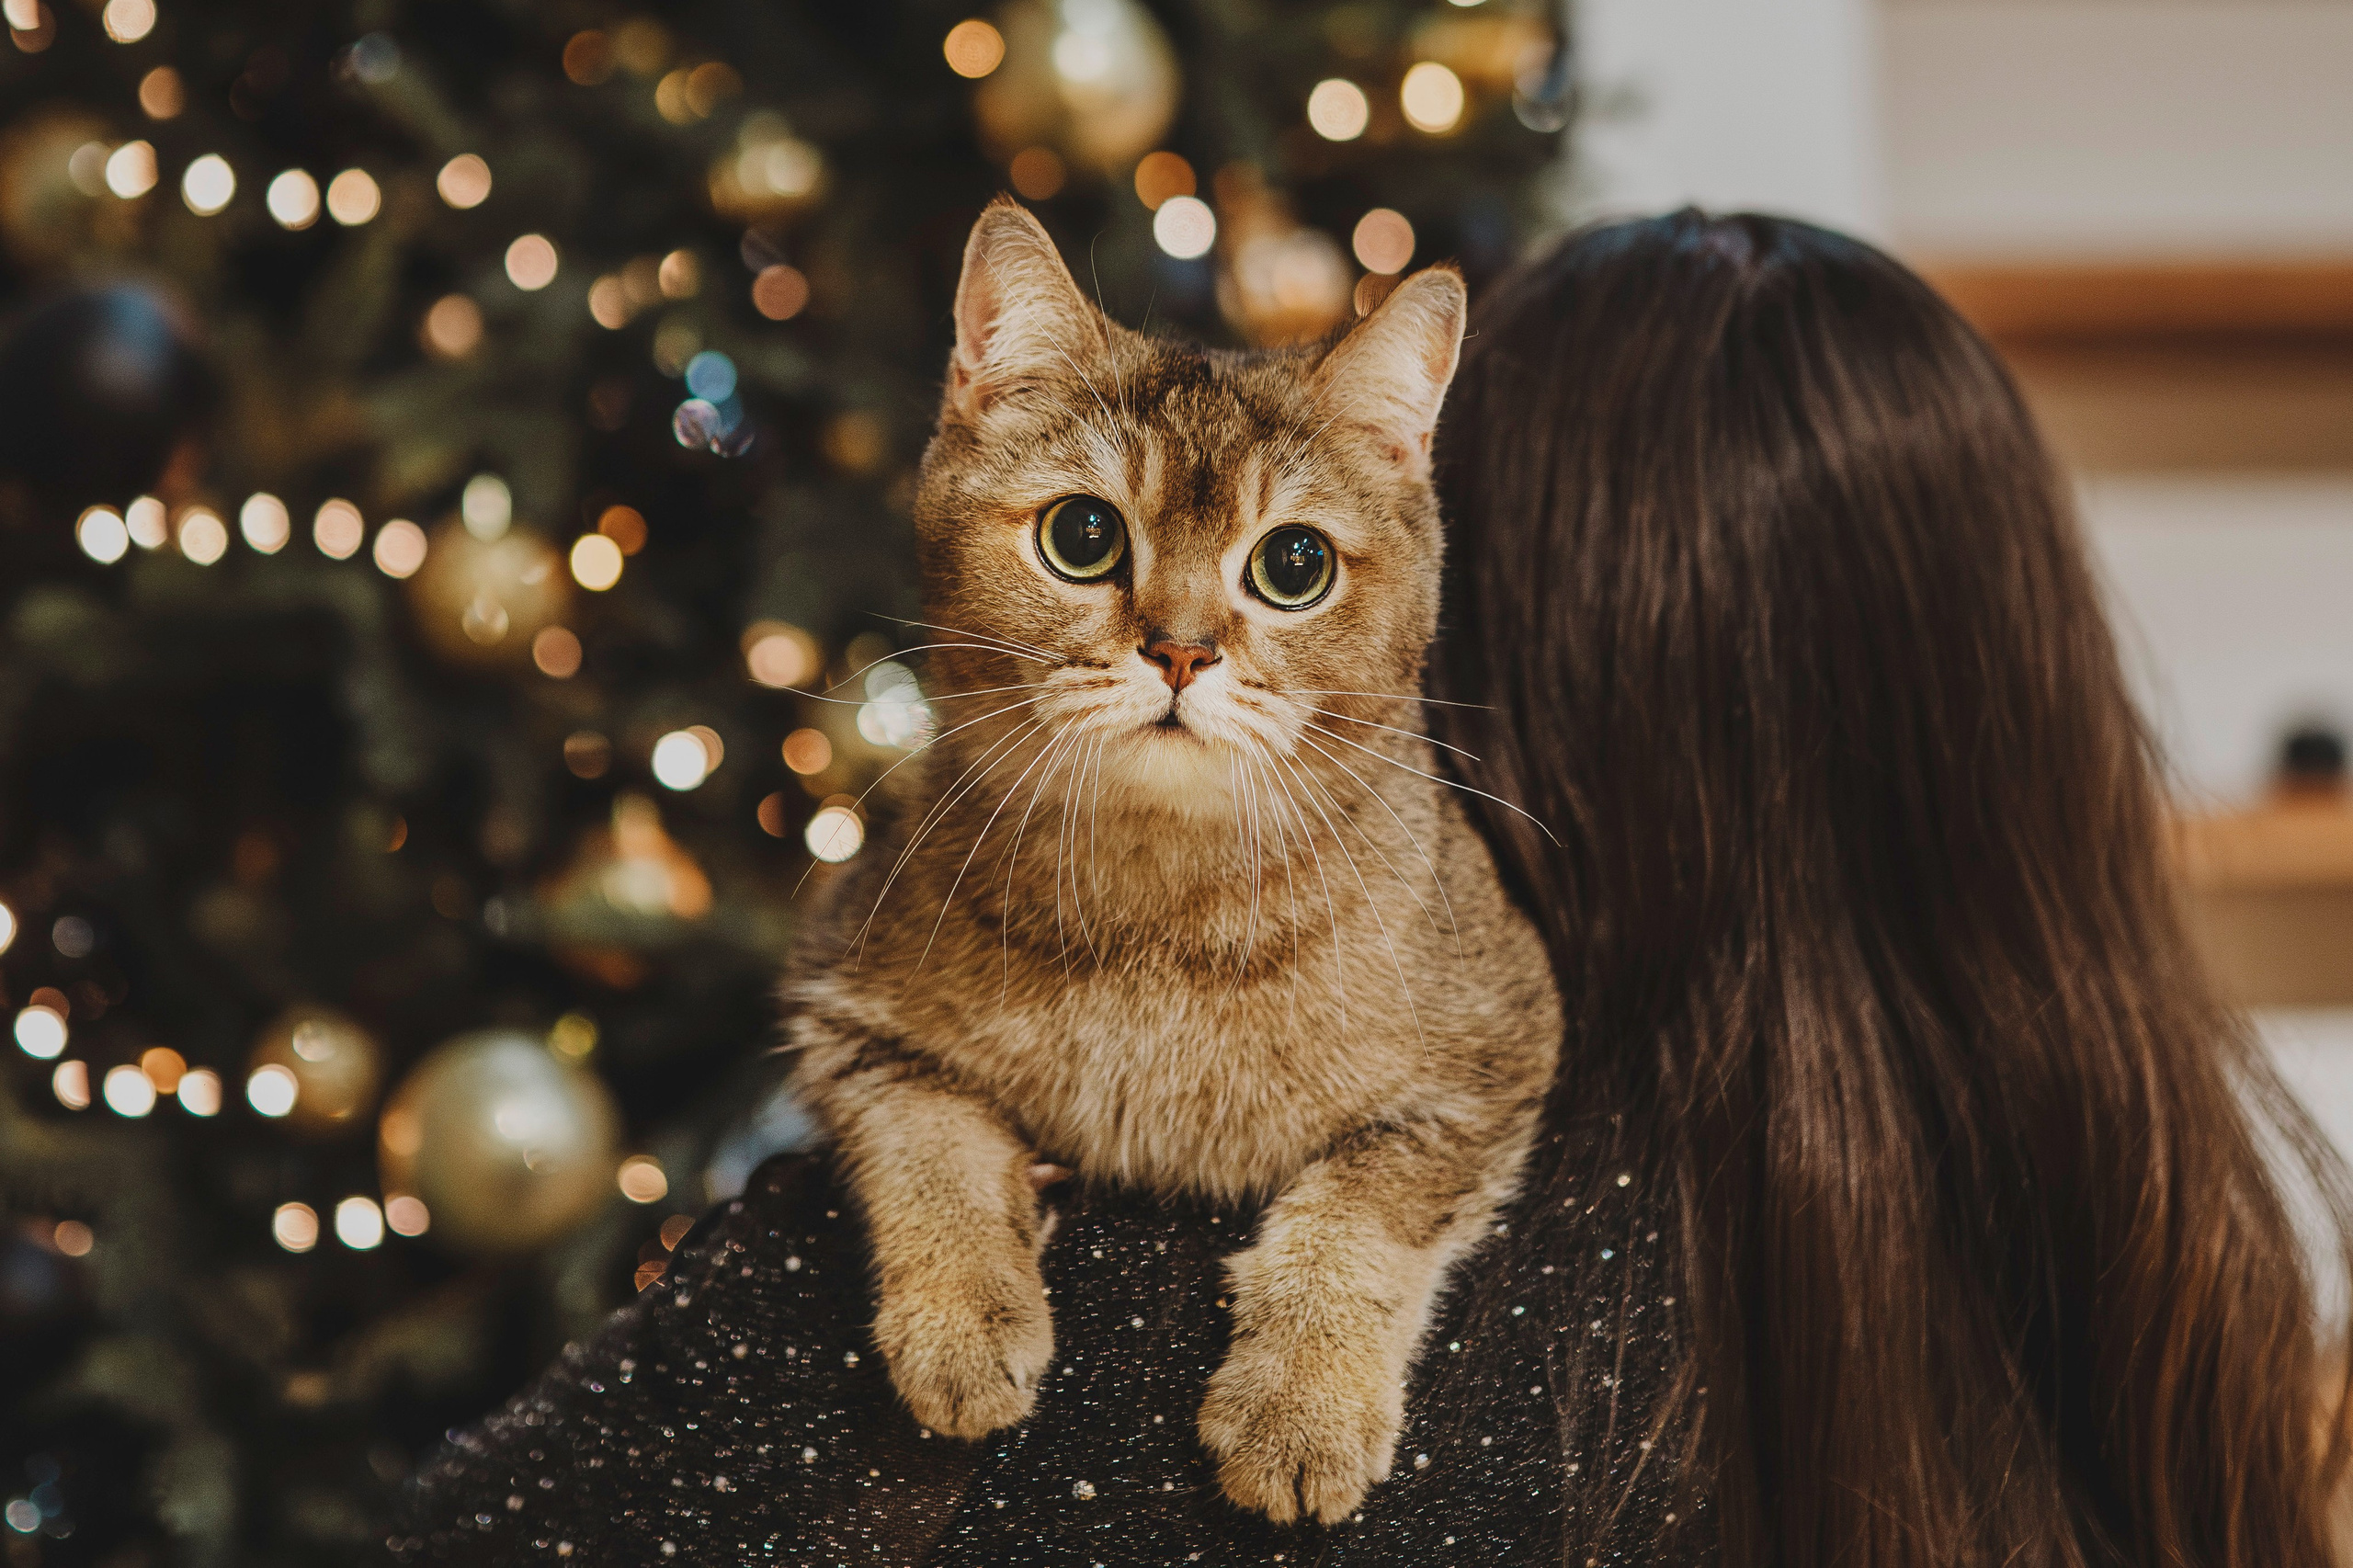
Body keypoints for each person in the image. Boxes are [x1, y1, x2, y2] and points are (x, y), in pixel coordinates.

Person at [393, 210, 2350, 1566]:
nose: (1188, 633)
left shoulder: (1154, 1278)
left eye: (1306, 569)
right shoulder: (2179, 1273)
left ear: (1497, 625)